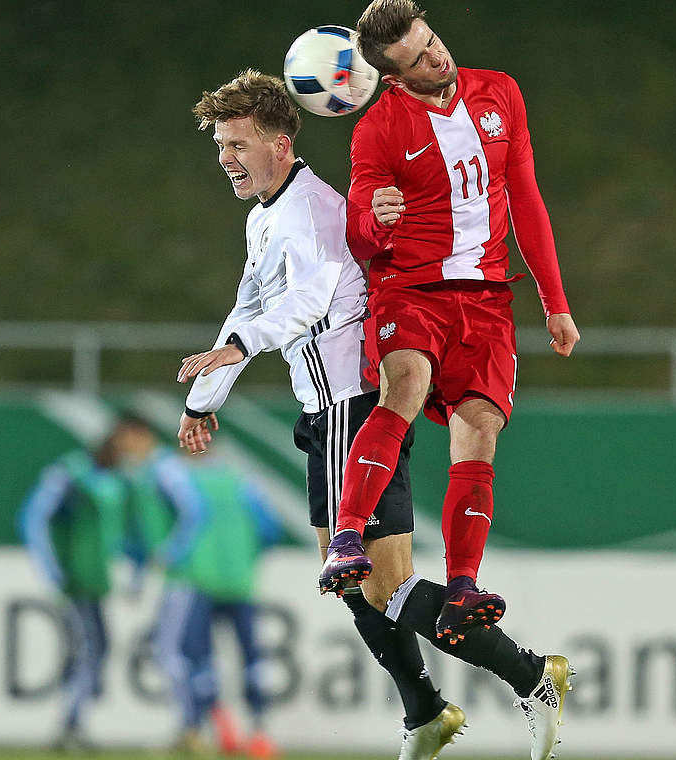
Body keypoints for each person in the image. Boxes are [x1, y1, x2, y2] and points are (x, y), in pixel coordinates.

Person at [174, 69, 562, 760]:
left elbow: (310, 300)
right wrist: (202, 399)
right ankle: (427, 709)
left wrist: (239, 347)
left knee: (374, 582)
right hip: (331, 413)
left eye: (237, 141)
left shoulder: (312, 212)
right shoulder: (266, 212)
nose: (226, 157)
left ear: (282, 141)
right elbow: (252, 298)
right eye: (220, 144)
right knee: (357, 580)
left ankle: (524, 676)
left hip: (353, 410)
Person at [324, 2, 578, 756]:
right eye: (419, 56)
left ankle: (463, 586)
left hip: (489, 299)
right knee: (403, 384)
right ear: (392, 76)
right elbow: (362, 234)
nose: (438, 59)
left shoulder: (500, 92)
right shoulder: (377, 128)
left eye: (433, 43)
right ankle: (346, 537)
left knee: (480, 431)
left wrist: (554, 301)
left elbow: (526, 200)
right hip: (412, 290)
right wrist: (379, 217)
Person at [114, 413, 278, 756]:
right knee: (250, 657)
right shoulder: (240, 479)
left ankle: (218, 726)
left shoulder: (174, 475)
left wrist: (169, 555)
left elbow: (186, 516)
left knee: (195, 656)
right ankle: (260, 733)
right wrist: (246, 557)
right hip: (240, 580)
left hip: (196, 579)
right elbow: (269, 527)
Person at [18, 436, 128, 750]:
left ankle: (74, 719)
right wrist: (51, 568)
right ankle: (70, 723)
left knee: (98, 646)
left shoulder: (108, 482)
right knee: (90, 647)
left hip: (93, 579)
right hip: (75, 578)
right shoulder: (71, 477)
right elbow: (34, 517)